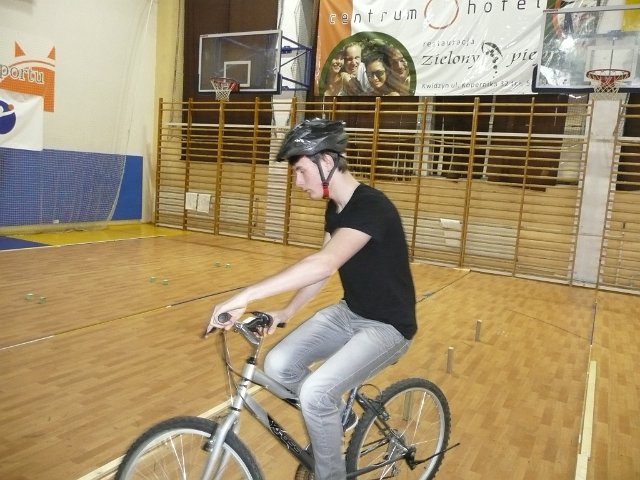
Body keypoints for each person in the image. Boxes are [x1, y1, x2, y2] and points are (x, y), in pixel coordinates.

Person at [205, 118, 417, 480]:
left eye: (301, 171)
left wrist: (245, 295)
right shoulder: (336, 208)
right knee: (279, 364)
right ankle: (341, 417)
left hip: (388, 328)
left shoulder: (372, 207)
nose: (298, 182)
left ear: (327, 162)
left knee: (317, 393)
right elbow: (323, 268)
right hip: (351, 313)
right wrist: (286, 311)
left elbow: (324, 263)